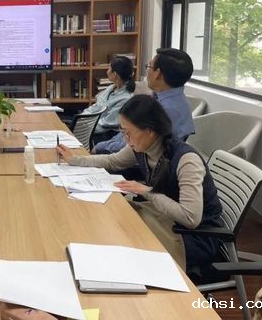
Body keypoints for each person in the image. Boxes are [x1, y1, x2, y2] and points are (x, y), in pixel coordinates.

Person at [57, 95, 222, 272]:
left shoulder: (186, 160)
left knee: (125, 236)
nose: (125, 139)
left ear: (150, 130)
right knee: (117, 219)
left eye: (128, 133)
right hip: (167, 218)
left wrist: (147, 192)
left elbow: (191, 218)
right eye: (122, 132)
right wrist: (74, 160)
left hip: (195, 236)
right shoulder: (143, 146)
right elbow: (112, 161)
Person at [93, 48, 195, 154]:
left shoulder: (165, 110)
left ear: (158, 73)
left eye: (149, 66)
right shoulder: (174, 100)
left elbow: (130, 145)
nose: (147, 71)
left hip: (131, 159)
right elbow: (127, 132)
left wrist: (99, 148)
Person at [82, 55, 135, 144]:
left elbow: (106, 123)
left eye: (109, 68)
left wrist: (84, 126)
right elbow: (96, 106)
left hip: (105, 135)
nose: (107, 71)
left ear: (115, 74)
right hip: (91, 125)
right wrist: (82, 117)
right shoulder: (111, 88)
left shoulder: (126, 99)